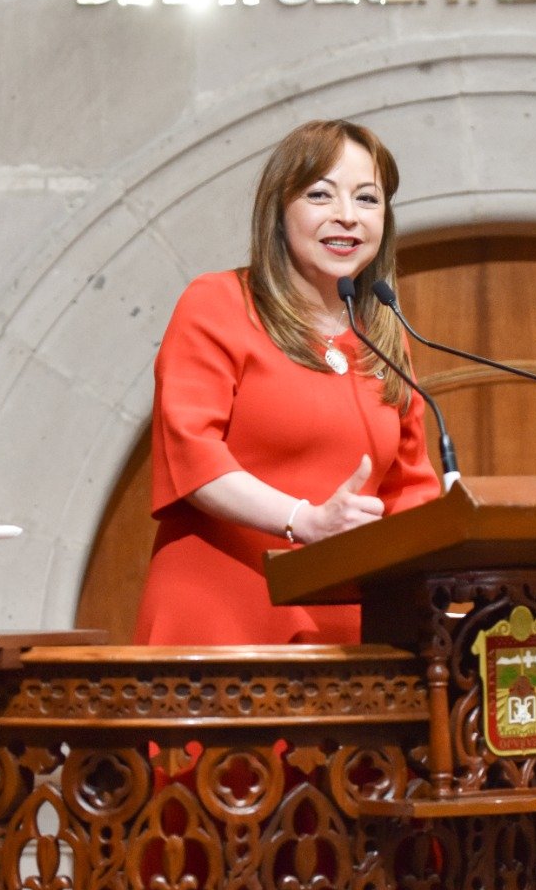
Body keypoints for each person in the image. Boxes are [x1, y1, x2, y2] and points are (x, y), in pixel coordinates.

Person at [135, 119, 443, 645]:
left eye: (367, 199)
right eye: (320, 195)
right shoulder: (219, 303)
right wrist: (305, 520)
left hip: (351, 631)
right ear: (279, 211)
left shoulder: (382, 336)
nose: (347, 215)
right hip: (223, 615)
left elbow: (410, 490)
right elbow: (193, 455)